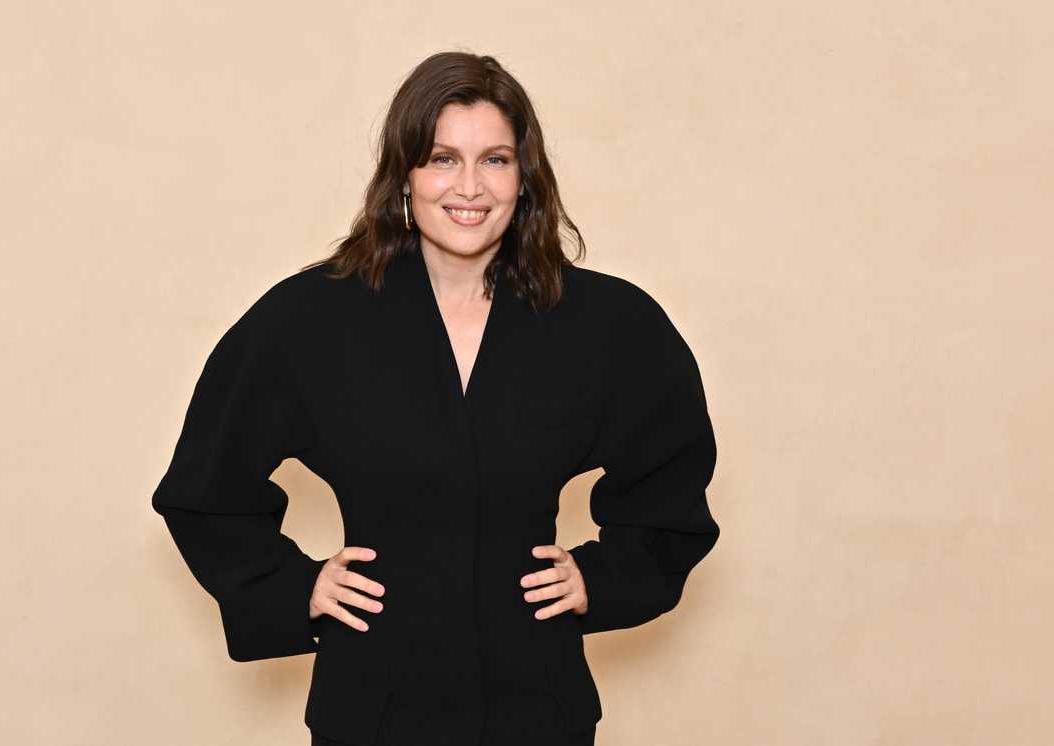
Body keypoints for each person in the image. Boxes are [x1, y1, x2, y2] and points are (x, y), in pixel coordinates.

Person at [151, 50, 720, 746]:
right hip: (373, 707)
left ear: (525, 177)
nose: (470, 186)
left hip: (540, 706)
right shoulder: (310, 319)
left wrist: (606, 578)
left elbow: (672, 483)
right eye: (443, 158)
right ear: (404, 176)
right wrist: (291, 586)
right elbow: (206, 488)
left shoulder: (607, 323)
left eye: (496, 160)